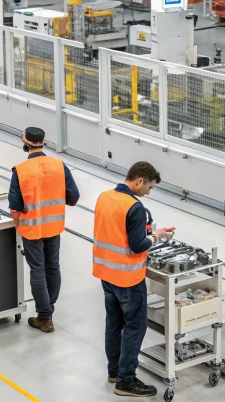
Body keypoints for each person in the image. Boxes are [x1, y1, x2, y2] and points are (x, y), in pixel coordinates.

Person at [93, 161, 176, 397]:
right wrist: (156, 238)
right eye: (149, 187)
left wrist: (153, 232)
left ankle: (114, 371)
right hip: (128, 278)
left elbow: (115, 233)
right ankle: (126, 380)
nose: (149, 192)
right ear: (139, 181)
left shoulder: (104, 197)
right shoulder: (135, 207)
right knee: (134, 328)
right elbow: (138, 245)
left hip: (105, 274)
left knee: (114, 325)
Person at [9, 127, 80, 333]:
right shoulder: (59, 165)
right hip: (54, 226)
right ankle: (49, 309)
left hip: (32, 229)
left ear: (25, 143)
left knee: (37, 271)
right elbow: (74, 197)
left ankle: (44, 317)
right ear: (43, 143)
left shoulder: (21, 171)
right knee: (53, 267)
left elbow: (15, 205)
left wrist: (18, 225)